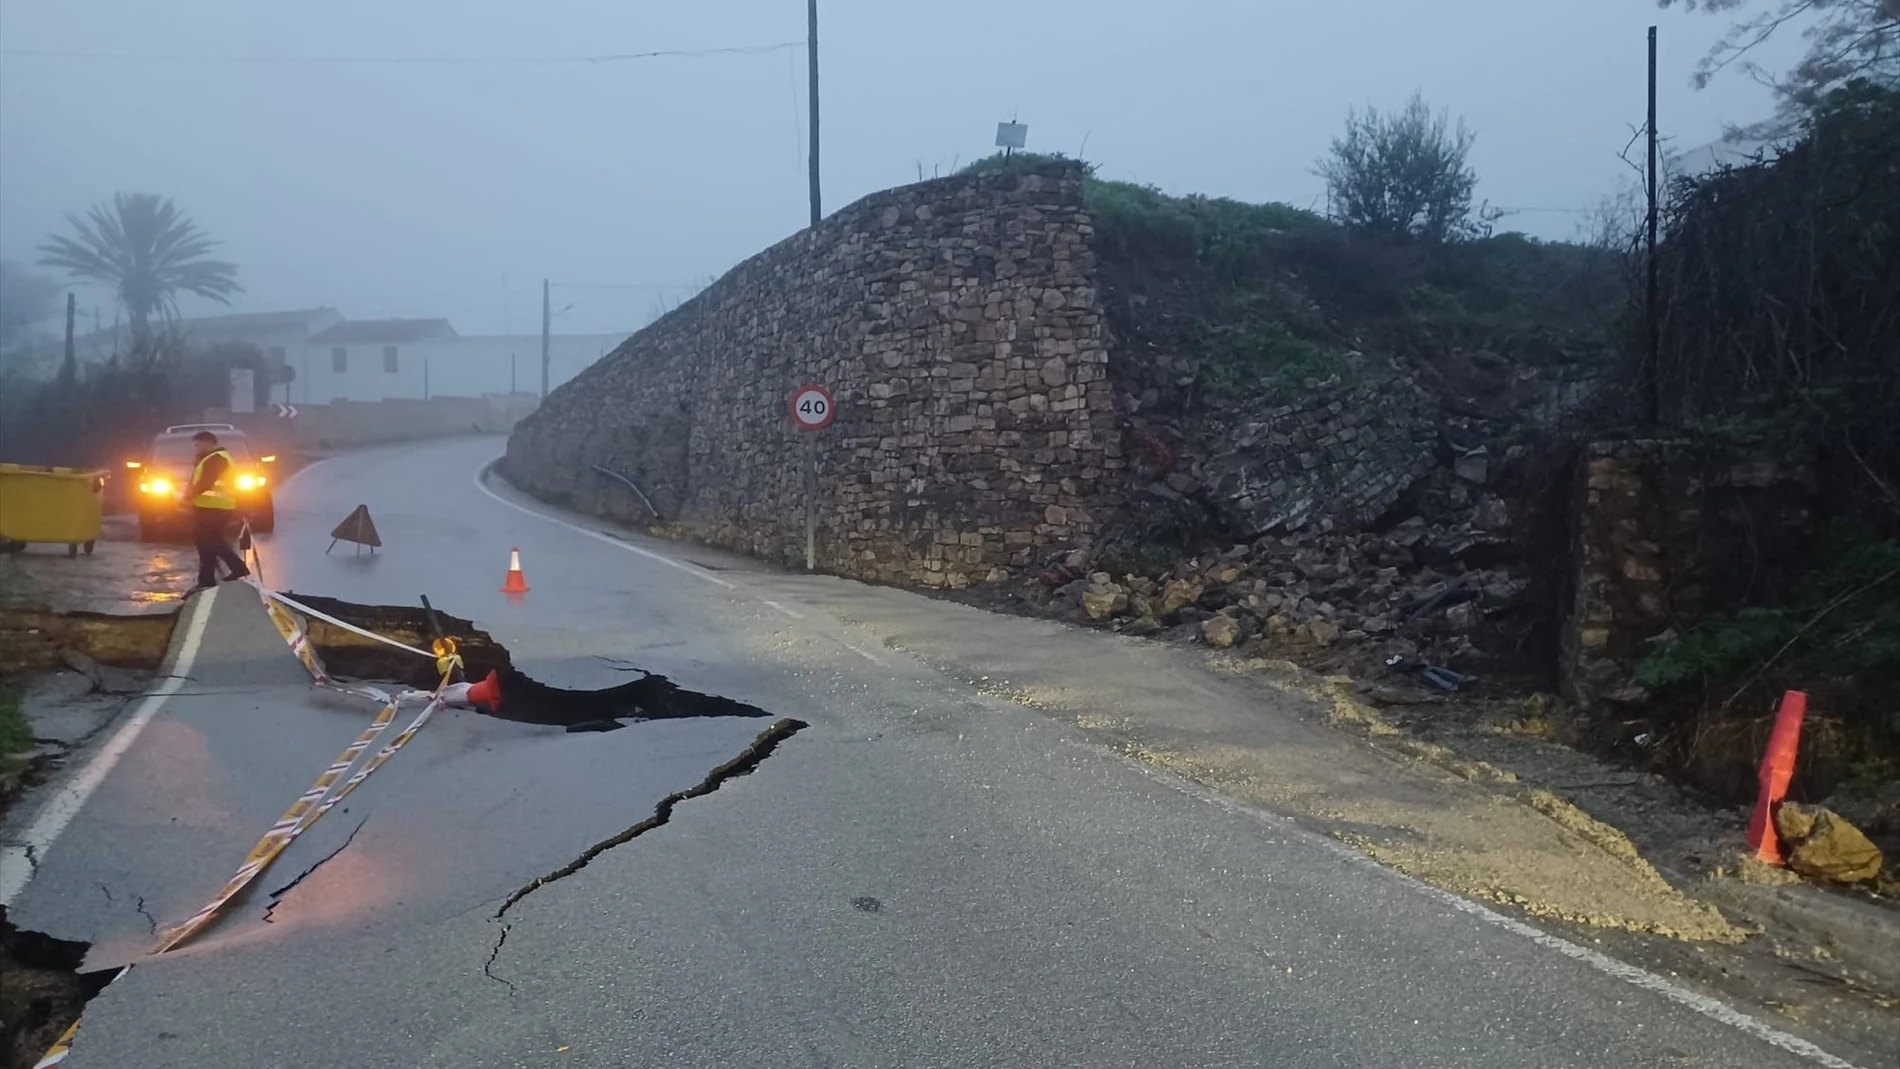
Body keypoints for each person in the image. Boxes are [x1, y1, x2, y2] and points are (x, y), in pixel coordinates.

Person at [185, 430, 250, 591]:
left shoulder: (217, 459)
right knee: (205, 542)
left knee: (209, 541)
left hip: (215, 507)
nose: (196, 448)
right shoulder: (211, 458)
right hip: (210, 506)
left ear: (208, 443)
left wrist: (187, 498)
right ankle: (206, 579)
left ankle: (237, 567)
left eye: (198, 444)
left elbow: (205, 483)